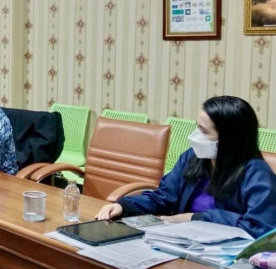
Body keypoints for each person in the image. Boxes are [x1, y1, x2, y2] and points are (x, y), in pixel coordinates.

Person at [96, 96, 276, 238]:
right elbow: (164, 196)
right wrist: (125, 206)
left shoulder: (257, 174)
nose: (195, 136)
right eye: (197, 127)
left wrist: (194, 218)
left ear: (230, 140)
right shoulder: (193, 158)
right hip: (182, 241)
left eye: (204, 131)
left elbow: (260, 227)